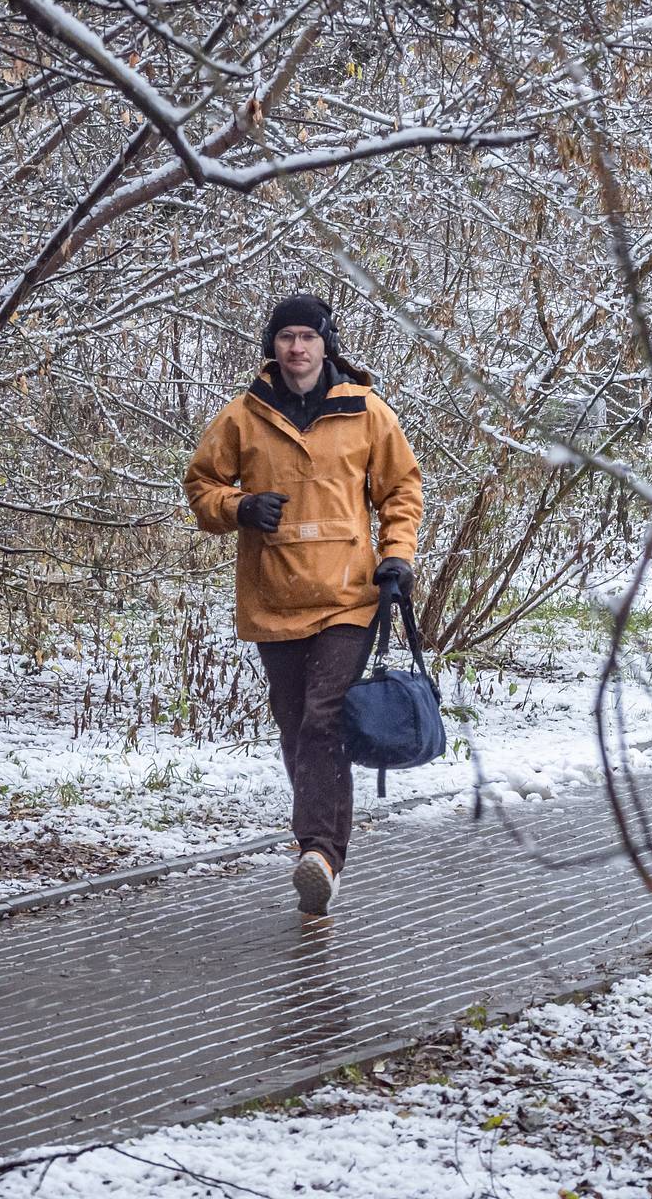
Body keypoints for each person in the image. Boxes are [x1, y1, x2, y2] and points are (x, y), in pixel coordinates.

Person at [184, 294, 422, 915]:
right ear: (274, 345)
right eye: (286, 336)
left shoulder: (367, 412)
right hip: (275, 593)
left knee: (323, 717)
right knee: (297, 727)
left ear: (326, 344)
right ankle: (320, 847)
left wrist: (397, 556)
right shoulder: (243, 416)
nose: (297, 348)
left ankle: (320, 853)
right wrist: (238, 507)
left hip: (349, 592)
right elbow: (202, 485)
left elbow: (400, 489)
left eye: (307, 337)